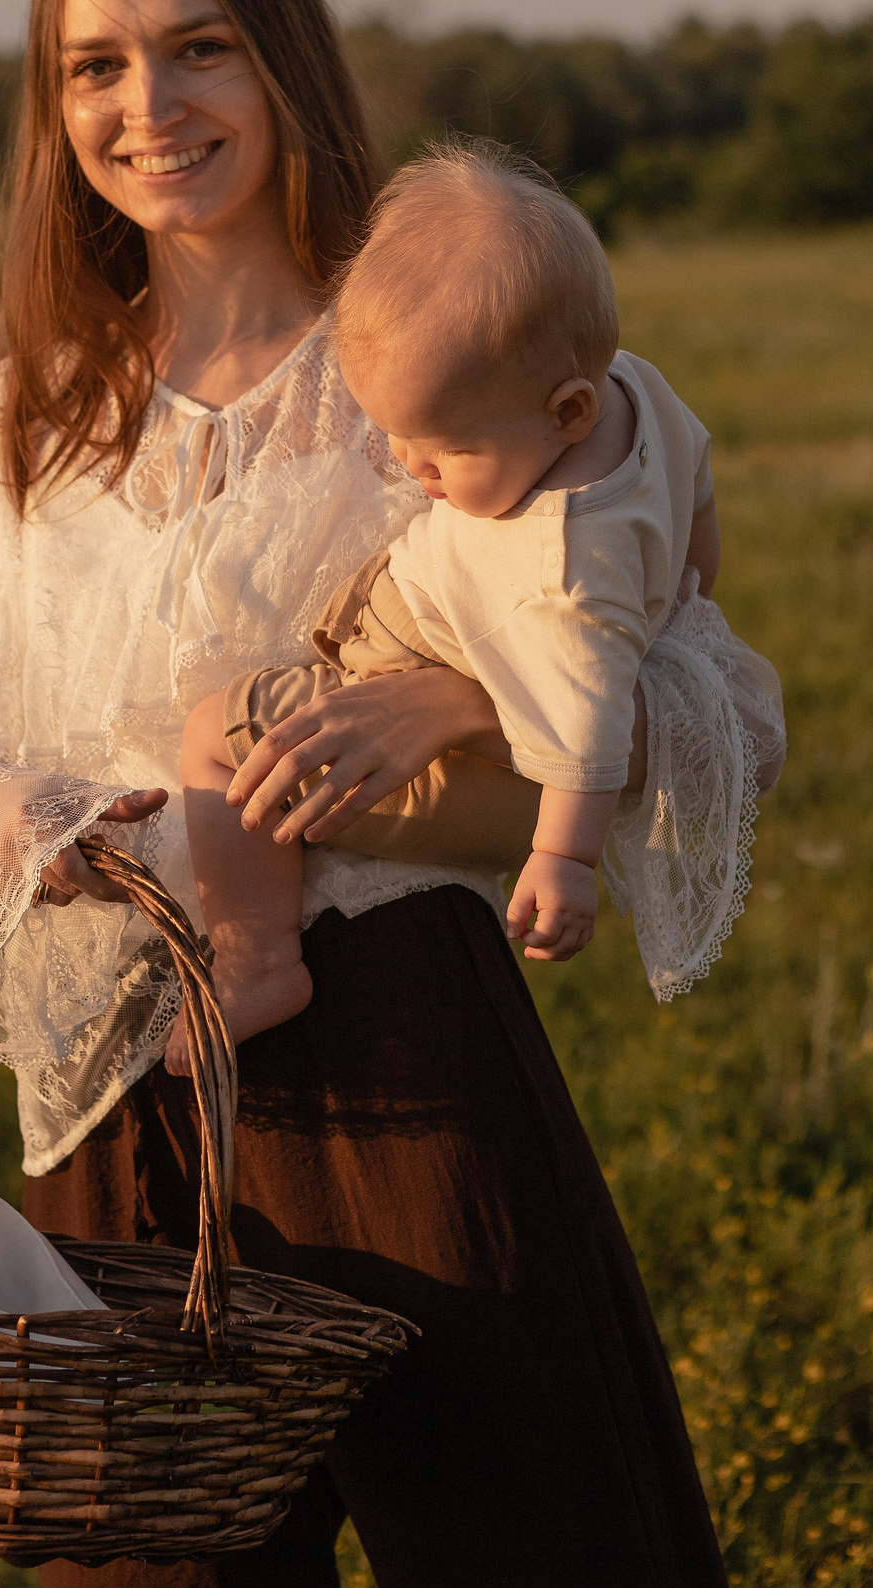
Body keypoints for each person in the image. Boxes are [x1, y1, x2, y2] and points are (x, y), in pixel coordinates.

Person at [0, 0, 745, 1588]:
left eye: (201, 48)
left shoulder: (429, 350)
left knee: (555, 1586)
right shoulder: (29, 411)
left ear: (284, 64)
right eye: (95, 67)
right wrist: (65, 817)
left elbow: (685, 691)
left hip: (402, 1063)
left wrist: (461, 701)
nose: (147, 109)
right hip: (113, 1088)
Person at [177, 140, 782, 1073]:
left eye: (444, 451)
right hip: (458, 672)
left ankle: (257, 956)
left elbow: (587, 734)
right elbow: (695, 484)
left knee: (217, 736)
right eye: (397, 438)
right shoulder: (639, 388)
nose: (414, 469)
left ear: (568, 411)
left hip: (452, 734)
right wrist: (684, 590)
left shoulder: (559, 571)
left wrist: (563, 864)